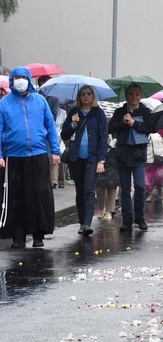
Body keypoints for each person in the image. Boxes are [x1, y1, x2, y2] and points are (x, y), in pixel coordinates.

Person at [0, 67, 61, 248]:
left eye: (23, 77)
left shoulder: (40, 101)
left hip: (38, 154)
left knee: (39, 195)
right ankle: (18, 236)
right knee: (16, 197)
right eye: (16, 77)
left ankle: (38, 235)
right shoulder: (4, 103)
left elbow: (50, 127)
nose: (20, 80)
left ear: (29, 79)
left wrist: (55, 151)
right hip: (13, 157)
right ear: (12, 81)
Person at [60, 85, 108, 236]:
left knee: (89, 190)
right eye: (83, 94)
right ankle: (82, 222)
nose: (86, 96)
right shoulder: (74, 113)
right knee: (79, 191)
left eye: (89, 94)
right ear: (79, 97)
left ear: (93, 97)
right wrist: (73, 124)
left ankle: (87, 223)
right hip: (76, 158)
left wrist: (101, 160)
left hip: (92, 158)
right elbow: (65, 135)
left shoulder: (98, 114)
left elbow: (103, 137)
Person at [108, 84, 152, 232]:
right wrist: (123, 122)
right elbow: (111, 128)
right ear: (127, 96)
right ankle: (127, 219)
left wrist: (134, 124)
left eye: (137, 94)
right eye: (131, 94)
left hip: (139, 155)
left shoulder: (145, 111)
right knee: (125, 189)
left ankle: (140, 218)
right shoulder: (120, 111)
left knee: (140, 187)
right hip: (123, 155)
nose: (134, 97)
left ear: (140, 96)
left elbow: (151, 128)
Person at [96, 135, 119, 221]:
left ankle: (109, 211)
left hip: (114, 161)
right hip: (100, 160)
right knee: (99, 187)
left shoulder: (115, 129)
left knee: (112, 187)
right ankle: (101, 208)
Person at [145, 132, 163, 202]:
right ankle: (149, 194)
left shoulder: (160, 134)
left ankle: (160, 190)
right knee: (148, 179)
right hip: (148, 159)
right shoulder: (145, 134)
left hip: (158, 159)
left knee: (159, 177)